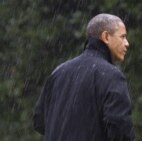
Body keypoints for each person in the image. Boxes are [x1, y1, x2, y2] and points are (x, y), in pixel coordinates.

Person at [33, 13, 135, 141]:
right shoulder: (111, 76)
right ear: (106, 37)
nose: (127, 43)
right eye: (123, 37)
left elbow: (39, 122)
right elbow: (120, 130)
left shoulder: (59, 72)